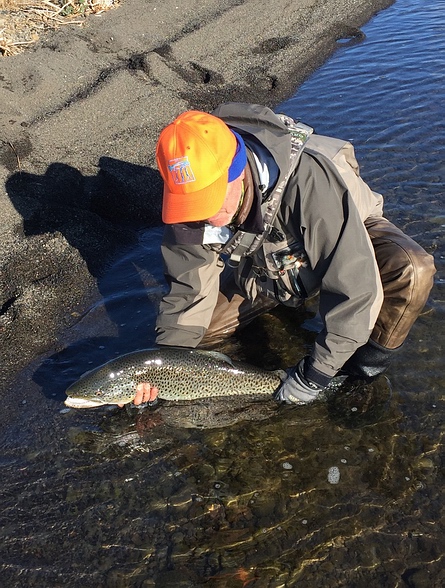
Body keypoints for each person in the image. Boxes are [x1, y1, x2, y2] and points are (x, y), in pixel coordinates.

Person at [133, 103, 435, 406]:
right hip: (268, 262)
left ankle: (360, 372)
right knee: (198, 335)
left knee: (411, 269)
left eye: (210, 199)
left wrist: (316, 373)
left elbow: (354, 288)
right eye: (195, 203)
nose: (208, 217)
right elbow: (187, 291)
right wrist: (164, 368)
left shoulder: (311, 181)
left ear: (238, 169)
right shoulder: (189, 199)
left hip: (345, 233)